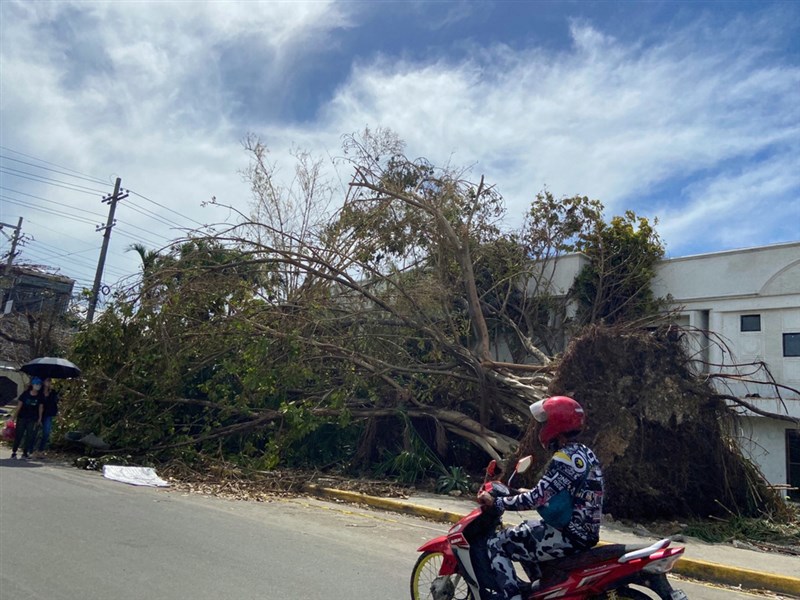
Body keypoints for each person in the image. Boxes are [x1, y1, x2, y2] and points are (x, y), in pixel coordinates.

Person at [478, 396, 604, 600]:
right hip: (584, 531)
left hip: (569, 535)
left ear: (556, 424)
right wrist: (525, 493)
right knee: (526, 530)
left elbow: (536, 498)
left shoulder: (565, 458)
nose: (541, 429)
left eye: (545, 423)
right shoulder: (584, 453)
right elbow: (561, 490)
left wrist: (497, 502)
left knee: (497, 543)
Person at [11, 377, 44, 459]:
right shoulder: (25, 394)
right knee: (19, 434)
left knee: (29, 436)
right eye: (36, 384)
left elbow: (41, 407)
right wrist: (13, 417)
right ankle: (14, 452)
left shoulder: (40, 396)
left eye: (39, 384)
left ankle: (25, 453)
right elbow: (19, 406)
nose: (38, 386)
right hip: (22, 417)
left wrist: (40, 418)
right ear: (32, 385)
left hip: (32, 419)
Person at [36, 377, 59, 455]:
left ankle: (41, 449)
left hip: (48, 414)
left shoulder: (53, 392)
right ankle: (30, 449)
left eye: (50, 381)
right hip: (37, 413)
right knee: (34, 432)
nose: (49, 382)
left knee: (46, 432)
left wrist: (57, 413)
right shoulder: (39, 392)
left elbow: (55, 403)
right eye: (47, 380)